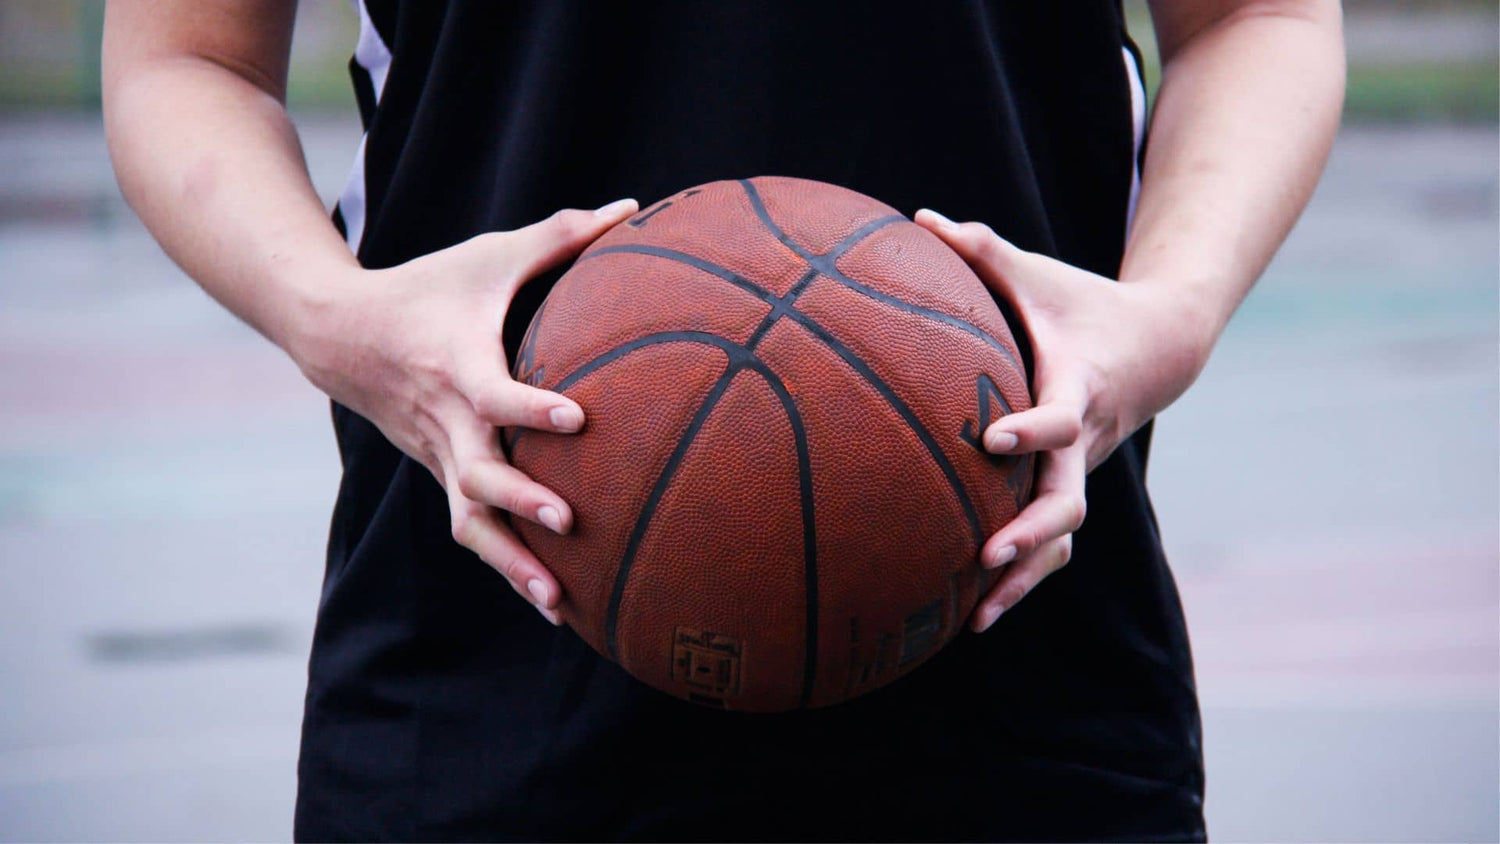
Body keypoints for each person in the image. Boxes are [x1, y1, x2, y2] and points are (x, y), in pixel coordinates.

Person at [102, 1, 1344, 839]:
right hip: (482, 663)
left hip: (1026, 664)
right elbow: (185, 57)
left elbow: (1258, 16)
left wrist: (1167, 317)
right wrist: (335, 318)